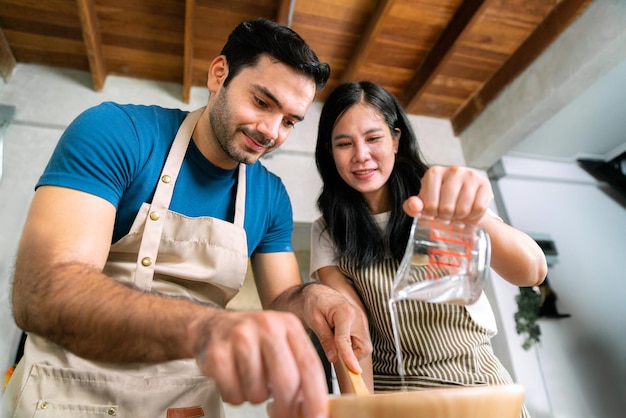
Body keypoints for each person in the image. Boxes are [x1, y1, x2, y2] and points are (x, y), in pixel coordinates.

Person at [3, 19, 371, 418]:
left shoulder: (271, 195)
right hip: (68, 395)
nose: (271, 132)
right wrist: (208, 328)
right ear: (219, 74)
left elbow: (282, 300)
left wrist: (313, 296)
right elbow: (43, 293)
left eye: (289, 121)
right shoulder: (118, 132)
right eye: (262, 103)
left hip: (185, 406)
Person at [310, 81, 547, 416]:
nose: (360, 155)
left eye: (373, 138)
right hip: (398, 401)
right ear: (329, 151)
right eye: (344, 143)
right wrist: (359, 411)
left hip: (475, 389)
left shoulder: (441, 197)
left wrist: (478, 216)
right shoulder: (329, 231)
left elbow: (532, 271)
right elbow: (353, 333)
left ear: (396, 139)